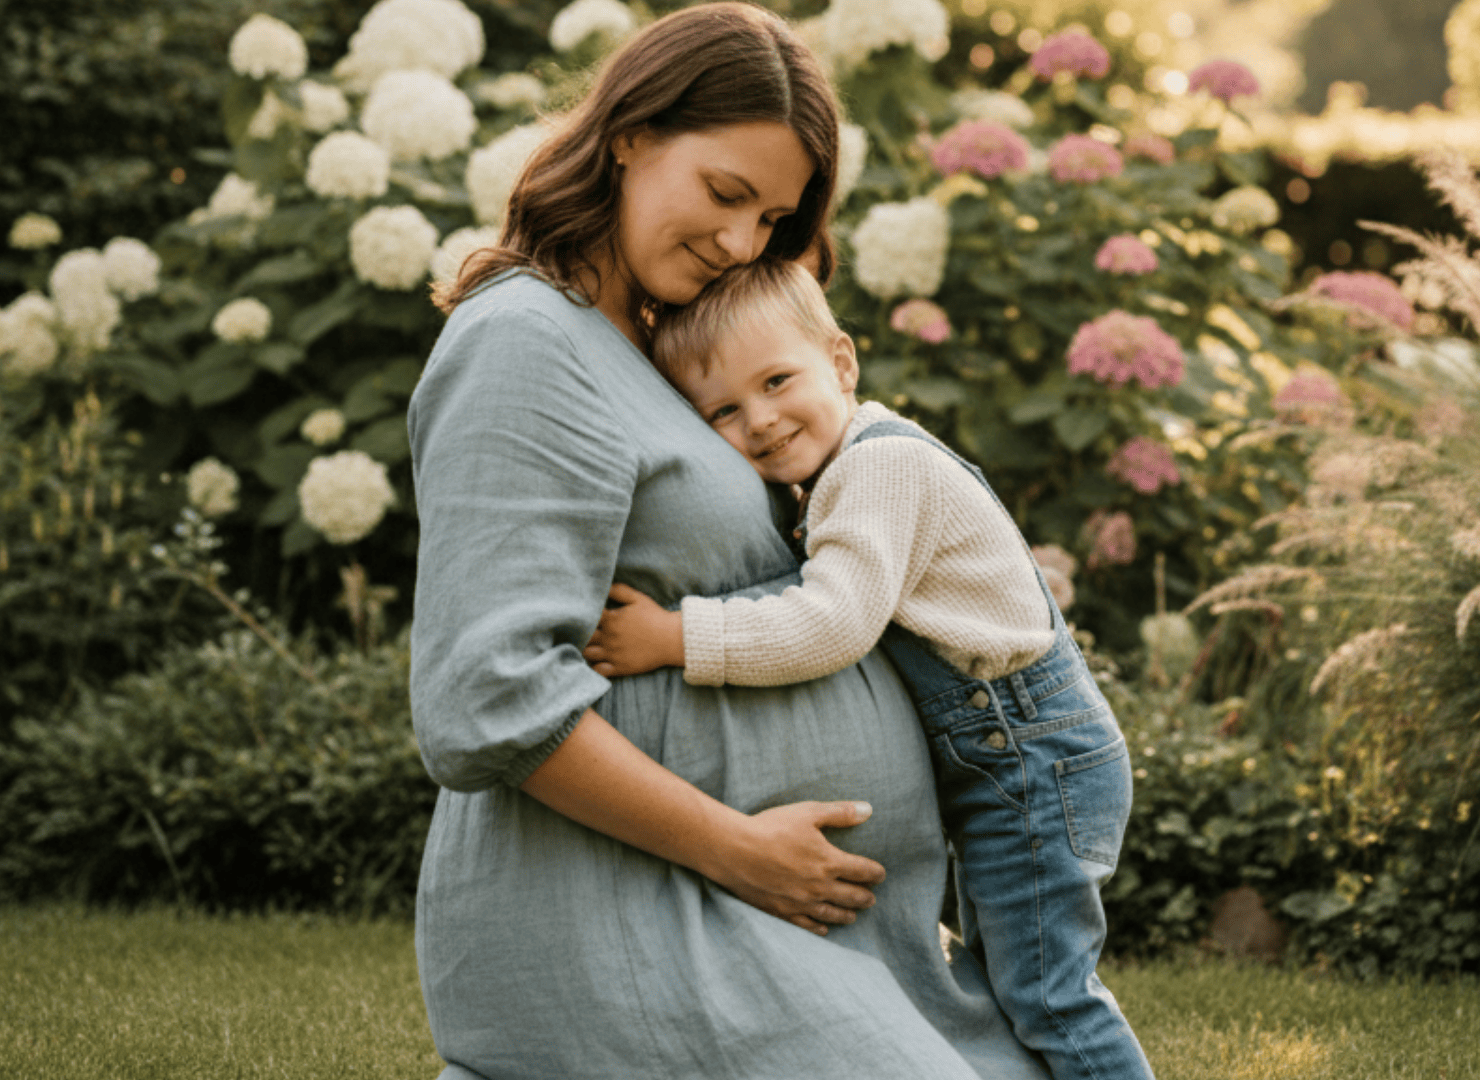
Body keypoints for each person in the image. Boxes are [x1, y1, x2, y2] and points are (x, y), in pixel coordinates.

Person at [407, 5, 1051, 1078]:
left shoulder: (656, 346)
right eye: (724, 193)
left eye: (773, 220)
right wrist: (737, 850)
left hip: (794, 923)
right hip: (645, 911)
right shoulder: (523, 343)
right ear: (630, 134)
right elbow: (485, 700)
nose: (742, 242)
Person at [584, 260, 1154, 1080]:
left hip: (1031, 759)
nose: (763, 420)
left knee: (1050, 995)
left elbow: (831, 623)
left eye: (778, 380)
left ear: (842, 363)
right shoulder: (840, 466)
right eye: (724, 411)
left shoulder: (878, 468)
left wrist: (676, 637)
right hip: (1010, 759)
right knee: (1018, 985)